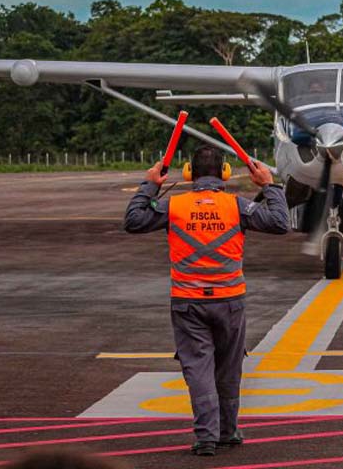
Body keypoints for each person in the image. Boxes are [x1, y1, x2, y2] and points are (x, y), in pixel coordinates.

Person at [123, 145, 289, 456]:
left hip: (188, 302)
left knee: (198, 368)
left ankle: (206, 436)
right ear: (225, 174)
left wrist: (150, 184)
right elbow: (280, 223)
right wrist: (269, 185)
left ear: (189, 173)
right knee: (229, 368)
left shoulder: (174, 206)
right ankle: (227, 432)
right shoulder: (236, 205)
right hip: (229, 300)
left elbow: (133, 220)